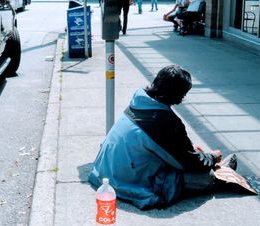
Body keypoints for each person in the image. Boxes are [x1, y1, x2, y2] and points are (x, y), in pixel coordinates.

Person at [88, 65, 238, 210]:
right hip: (124, 183)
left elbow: (163, 143)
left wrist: (189, 149)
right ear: (179, 95)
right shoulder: (165, 121)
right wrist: (211, 157)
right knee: (204, 177)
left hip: (104, 173)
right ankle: (220, 177)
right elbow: (187, 162)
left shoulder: (139, 102)